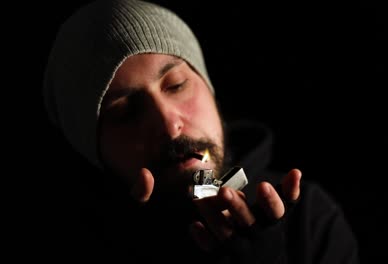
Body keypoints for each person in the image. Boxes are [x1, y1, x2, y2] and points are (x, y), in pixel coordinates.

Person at [42, 0, 359, 262]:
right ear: (95, 150)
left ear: (209, 90)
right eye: (126, 111)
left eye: (177, 85)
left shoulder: (308, 219)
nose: (169, 125)